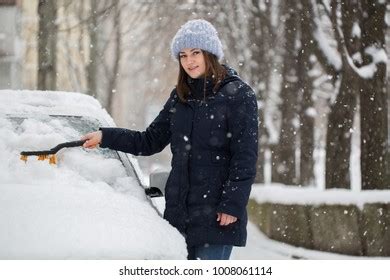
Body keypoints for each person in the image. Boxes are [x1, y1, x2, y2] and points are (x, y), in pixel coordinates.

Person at [82, 19, 258, 260]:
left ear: (211, 54)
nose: (189, 61)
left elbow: (245, 157)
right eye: (183, 56)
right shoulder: (180, 97)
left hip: (217, 216)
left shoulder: (239, 95)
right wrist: (106, 136)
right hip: (179, 218)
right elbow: (149, 141)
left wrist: (232, 204)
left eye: (196, 53)